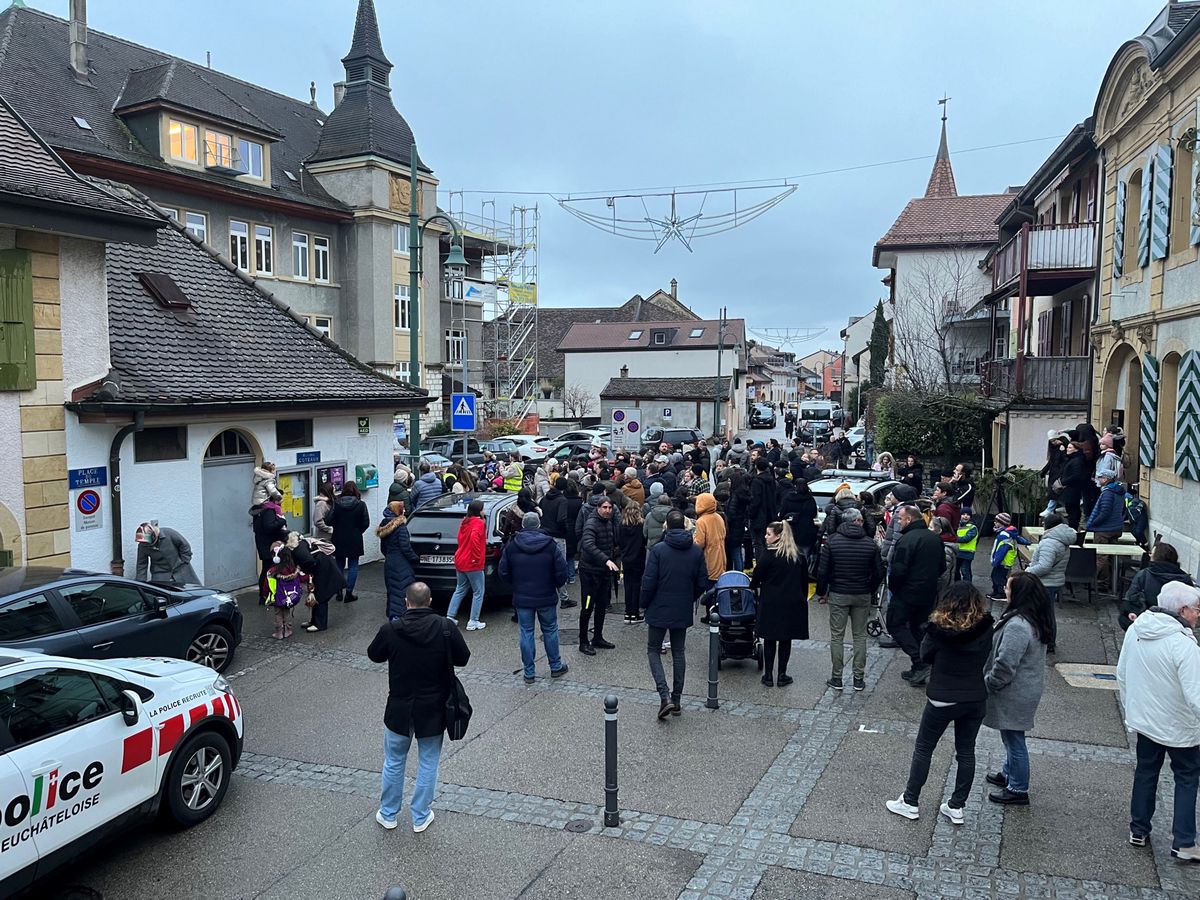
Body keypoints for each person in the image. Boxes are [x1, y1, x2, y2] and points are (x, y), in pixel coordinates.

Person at [886, 581, 995, 826]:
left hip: (942, 696)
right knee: (966, 751)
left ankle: (910, 801)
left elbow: (925, 655)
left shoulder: (938, 628)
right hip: (975, 696)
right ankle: (957, 806)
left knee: (924, 748)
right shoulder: (987, 627)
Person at [369, 582, 470, 834]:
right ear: (430, 601)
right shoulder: (445, 627)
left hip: (399, 707)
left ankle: (389, 814)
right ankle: (420, 816)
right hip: (433, 708)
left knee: (393, 761)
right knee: (428, 762)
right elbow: (463, 658)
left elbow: (374, 654)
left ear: (406, 602)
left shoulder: (391, 629)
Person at [1116, 580, 1200, 861]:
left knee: (1146, 773)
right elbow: (1196, 697)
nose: (1199, 614)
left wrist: (1132, 711)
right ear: (1183, 609)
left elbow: (1122, 673)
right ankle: (1184, 842)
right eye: (1197, 609)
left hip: (1147, 722)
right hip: (1180, 728)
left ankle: (1138, 829)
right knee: (1187, 779)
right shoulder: (1185, 645)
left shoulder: (1137, 630)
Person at [983, 572, 1054, 806]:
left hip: (1015, 692)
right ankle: (1008, 772)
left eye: (1008, 587)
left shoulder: (1018, 626)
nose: (1004, 590)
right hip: (1024, 689)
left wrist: (990, 682)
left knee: (1014, 738)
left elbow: (1005, 664)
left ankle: (1018, 788)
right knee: (1010, 734)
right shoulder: (1032, 618)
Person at [641, 510, 707, 719]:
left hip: (659, 605)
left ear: (667, 527)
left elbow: (649, 580)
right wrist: (689, 597)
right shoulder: (696, 551)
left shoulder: (659, 550)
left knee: (653, 650)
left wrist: (644, 604)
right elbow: (702, 582)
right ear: (686, 526)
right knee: (679, 652)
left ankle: (664, 696)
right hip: (682, 606)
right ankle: (676, 698)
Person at [815, 507, 884, 691]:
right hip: (862, 593)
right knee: (860, 636)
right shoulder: (870, 544)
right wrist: (870, 588)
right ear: (859, 521)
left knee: (837, 636)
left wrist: (822, 592)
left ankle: (836, 677)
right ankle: (858, 678)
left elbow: (823, 571)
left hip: (839, 593)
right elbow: (879, 572)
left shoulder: (832, 542)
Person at [501, 511, 570, 684]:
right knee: (550, 629)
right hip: (546, 595)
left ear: (523, 526)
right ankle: (555, 666)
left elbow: (503, 572)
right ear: (539, 525)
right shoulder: (550, 545)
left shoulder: (513, 545)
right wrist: (555, 585)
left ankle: (529, 672)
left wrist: (515, 585)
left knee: (526, 632)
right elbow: (561, 572)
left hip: (523, 597)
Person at [888, 503, 947, 686]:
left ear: (909, 519)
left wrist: (894, 588)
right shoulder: (934, 539)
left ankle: (920, 661)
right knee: (918, 627)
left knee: (895, 624)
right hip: (927, 591)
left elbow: (898, 570)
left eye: (900, 519)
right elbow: (942, 567)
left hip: (907, 592)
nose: (899, 522)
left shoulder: (906, 540)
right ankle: (920, 664)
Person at [749, 519, 809, 686]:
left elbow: (757, 577)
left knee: (769, 638)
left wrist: (753, 586)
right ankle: (782, 674)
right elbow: (804, 581)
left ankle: (768, 675)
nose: (766, 537)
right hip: (791, 602)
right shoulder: (798, 555)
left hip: (771, 601)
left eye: (769, 534)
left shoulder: (768, 555)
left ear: (777, 537)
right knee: (785, 639)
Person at [1121, 542, 1196, 630]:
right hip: (1177, 623)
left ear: (1155, 557)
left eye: (1151, 554)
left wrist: (1133, 612)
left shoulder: (1144, 575)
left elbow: (1132, 598)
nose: (1149, 556)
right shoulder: (1185, 579)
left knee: (1123, 618)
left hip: (1148, 621)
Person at [579, 496, 620, 655]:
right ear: (598, 508)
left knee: (602, 605)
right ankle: (583, 641)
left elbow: (610, 542)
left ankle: (598, 637)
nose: (607, 510)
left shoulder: (608, 522)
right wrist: (606, 560)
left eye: (609, 508)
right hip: (590, 573)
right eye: (604, 507)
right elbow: (588, 544)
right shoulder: (591, 523)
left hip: (604, 573)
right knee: (587, 607)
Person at [447, 500, 487, 630]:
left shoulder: (464, 522)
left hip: (460, 559)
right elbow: (475, 538)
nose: (484, 511)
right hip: (472, 563)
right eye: (483, 509)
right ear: (479, 511)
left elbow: (460, 539)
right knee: (478, 592)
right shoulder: (479, 523)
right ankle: (473, 620)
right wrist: (476, 558)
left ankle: (450, 617)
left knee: (460, 589)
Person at [292, 532, 344, 633]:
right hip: (322, 568)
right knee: (316, 594)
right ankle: (314, 621)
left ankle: (320, 624)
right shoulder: (300, 545)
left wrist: (306, 573)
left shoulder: (298, 549)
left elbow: (309, 562)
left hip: (323, 571)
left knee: (321, 596)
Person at [328, 482, 370, 603]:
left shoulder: (337, 504)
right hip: (354, 538)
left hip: (338, 537)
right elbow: (366, 523)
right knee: (353, 566)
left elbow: (328, 520)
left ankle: (339, 591)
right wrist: (357, 532)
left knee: (339, 564)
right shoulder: (361, 505)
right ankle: (349, 593)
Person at [1086, 471, 1127, 592]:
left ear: (1107, 479)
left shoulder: (1108, 493)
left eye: (1101, 477)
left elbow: (1104, 512)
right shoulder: (1119, 492)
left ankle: (1099, 582)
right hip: (1116, 528)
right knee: (1110, 557)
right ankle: (1110, 582)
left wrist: (1093, 524)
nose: (1098, 479)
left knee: (1100, 557)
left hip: (1104, 529)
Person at [378, 501, 419, 621]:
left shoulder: (385, 526)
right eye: (403, 509)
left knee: (392, 591)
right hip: (401, 564)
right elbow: (405, 548)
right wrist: (415, 558)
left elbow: (383, 548)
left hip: (390, 562)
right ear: (398, 511)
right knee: (402, 591)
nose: (405, 510)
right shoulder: (401, 528)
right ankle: (398, 620)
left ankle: (392, 618)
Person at [539, 476, 575, 609]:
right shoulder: (562, 500)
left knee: (546, 565)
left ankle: (546, 593)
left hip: (544, 535)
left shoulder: (545, 498)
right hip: (558, 536)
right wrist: (565, 531)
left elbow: (540, 511)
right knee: (560, 566)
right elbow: (561, 519)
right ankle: (564, 598)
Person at [265, 542, 309, 640]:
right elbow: (302, 578)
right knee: (287, 612)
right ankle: (288, 630)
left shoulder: (273, 571)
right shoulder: (293, 569)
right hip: (290, 597)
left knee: (278, 614)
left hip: (277, 596)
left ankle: (279, 632)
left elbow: (266, 585)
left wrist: (265, 596)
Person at [133, 522, 198, 586]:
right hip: (160, 573)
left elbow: (184, 545)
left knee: (191, 590)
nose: (145, 544)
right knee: (161, 594)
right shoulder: (142, 546)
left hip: (180, 568)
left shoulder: (168, 533)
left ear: (153, 536)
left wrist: (184, 561)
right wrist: (140, 584)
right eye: (142, 542)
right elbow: (141, 565)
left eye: (146, 542)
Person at [617, 501, 647, 623]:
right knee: (637, 585)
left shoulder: (621, 525)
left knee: (628, 586)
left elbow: (619, 541)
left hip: (626, 558)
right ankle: (635, 613)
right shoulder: (641, 525)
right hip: (639, 557)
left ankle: (627, 613)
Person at [253, 499, 289, 602]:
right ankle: (265, 596)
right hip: (269, 546)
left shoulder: (261, 510)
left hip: (264, 544)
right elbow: (269, 527)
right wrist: (282, 520)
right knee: (268, 570)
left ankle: (265, 595)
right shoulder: (269, 511)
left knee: (267, 570)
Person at [989, 512, 1029, 601]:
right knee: (995, 576)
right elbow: (1019, 538)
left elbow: (1002, 550)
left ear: (1002, 523)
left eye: (997, 521)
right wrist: (1027, 542)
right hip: (1005, 561)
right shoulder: (1010, 532)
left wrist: (996, 561)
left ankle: (1001, 593)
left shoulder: (1004, 535)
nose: (995, 523)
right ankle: (996, 591)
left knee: (999, 577)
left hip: (1003, 561)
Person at [692, 492, 727, 588]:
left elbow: (699, 543)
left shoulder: (701, 521)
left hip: (709, 558)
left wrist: (693, 539)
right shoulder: (719, 517)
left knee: (709, 588)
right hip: (721, 556)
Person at [748, 457, 778, 562]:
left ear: (756, 466)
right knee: (768, 542)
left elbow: (755, 500)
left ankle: (760, 566)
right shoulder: (771, 480)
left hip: (759, 517)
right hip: (770, 515)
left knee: (758, 543)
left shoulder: (756, 481)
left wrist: (750, 514)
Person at [562, 479, 583, 586]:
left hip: (564, 529)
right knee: (571, 554)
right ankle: (571, 576)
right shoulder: (579, 502)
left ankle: (565, 576)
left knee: (564, 553)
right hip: (574, 529)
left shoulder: (562, 500)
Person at [954, 511, 979, 584]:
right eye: (963, 514)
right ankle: (958, 585)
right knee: (956, 570)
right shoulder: (959, 526)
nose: (965, 516)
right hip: (958, 552)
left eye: (968, 515)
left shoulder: (972, 527)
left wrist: (954, 538)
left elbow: (966, 539)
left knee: (965, 570)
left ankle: (967, 586)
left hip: (967, 553)